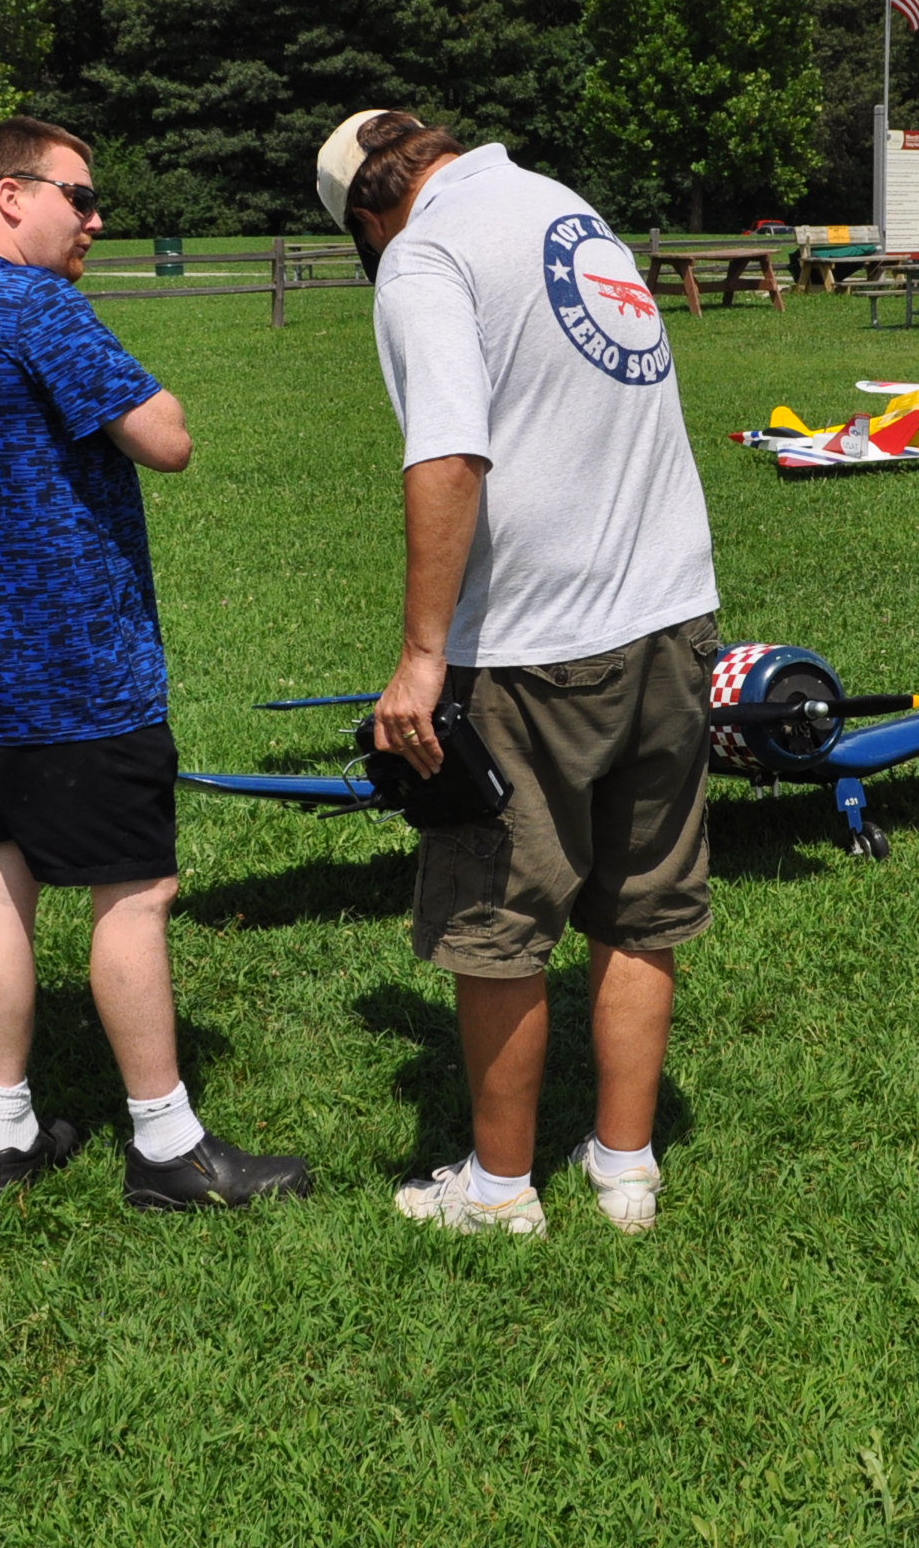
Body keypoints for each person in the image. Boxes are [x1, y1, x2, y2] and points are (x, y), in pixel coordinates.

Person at [0, 117, 311, 1207]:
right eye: (79, 197)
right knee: (134, 892)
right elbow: (166, 438)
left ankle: (10, 1137)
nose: (96, 219)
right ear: (9, 196)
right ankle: (170, 1150)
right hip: (64, 665)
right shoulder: (34, 305)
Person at [316, 108, 722, 1239]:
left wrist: (419, 656)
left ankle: (500, 1192)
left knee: (499, 914)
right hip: (672, 611)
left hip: (539, 641)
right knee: (641, 906)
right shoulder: (563, 208)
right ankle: (625, 1167)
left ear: (366, 214)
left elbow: (449, 449)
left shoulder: (425, 254)